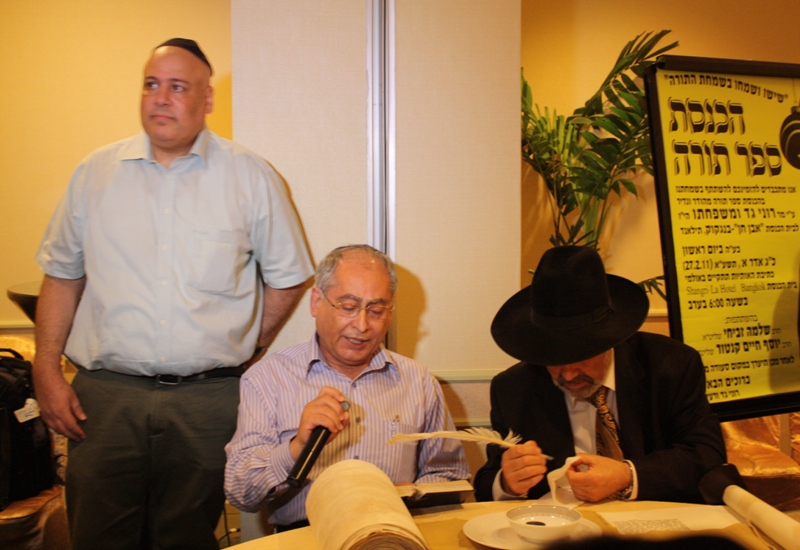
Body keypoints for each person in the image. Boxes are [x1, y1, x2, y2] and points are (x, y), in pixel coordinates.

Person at [33, 38, 314, 549]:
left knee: (186, 536)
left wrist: (251, 349)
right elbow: (61, 274)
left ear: (207, 99)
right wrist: (45, 369)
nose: (161, 98)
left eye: (178, 87)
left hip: (207, 401)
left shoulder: (250, 176)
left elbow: (289, 274)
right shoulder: (94, 173)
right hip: (105, 398)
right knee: (96, 535)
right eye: (151, 85)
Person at [224, 244, 470, 530]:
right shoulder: (268, 377)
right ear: (316, 302)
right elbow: (240, 492)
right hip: (306, 536)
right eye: (349, 307)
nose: (362, 325)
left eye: (376, 310)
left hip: (392, 532)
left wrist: (411, 495)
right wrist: (297, 447)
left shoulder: (418, 381)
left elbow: (451, 474)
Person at [474, 246, 725, 504]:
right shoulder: (513, 389)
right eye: (554, 361)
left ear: (609, 339)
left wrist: (628, 475)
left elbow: (705, 454)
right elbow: (486, 483)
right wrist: (507, 482)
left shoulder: (670, 366)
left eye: (581, 356)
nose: (569, 374)